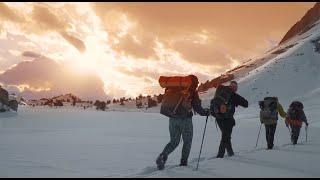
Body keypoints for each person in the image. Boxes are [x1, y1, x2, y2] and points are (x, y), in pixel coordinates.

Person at [156, 75, 210, 170]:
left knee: (174, 141)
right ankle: (183, 163)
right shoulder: (192, 91)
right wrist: (206, 112)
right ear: (194, 82)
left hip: (172, 118)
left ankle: (162, 156)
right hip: (185, 120)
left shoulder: (171, 88)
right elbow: (197, 107)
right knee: (187, 142)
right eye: (196, 83)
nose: (197, 85)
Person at [210, 81, 248, 158]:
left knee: (225, 135)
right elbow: (246, 104)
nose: (235, 89)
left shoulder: (220, 90)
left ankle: (230, 153)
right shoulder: (234, 95)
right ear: (234, 88)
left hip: (218, 118)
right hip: (228, 118)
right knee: (225, 136)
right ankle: (220, 156)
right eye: (235, 87)